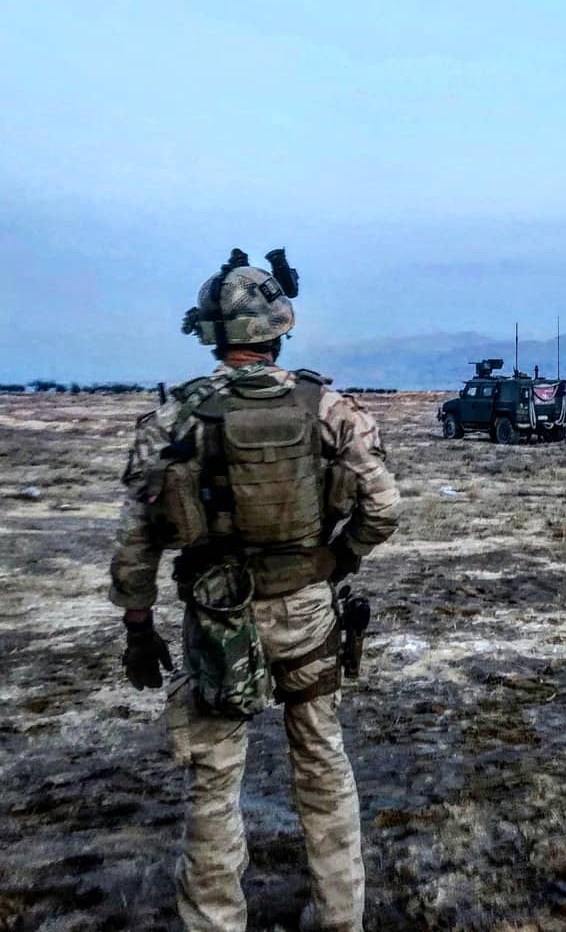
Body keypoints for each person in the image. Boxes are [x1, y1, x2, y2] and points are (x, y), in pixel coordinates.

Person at [109, 248, 400, 932]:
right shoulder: (330, 408)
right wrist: (337, 560)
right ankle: (339, 918)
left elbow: (136, 540)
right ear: (279, 328)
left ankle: (215, 922)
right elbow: (383, 507)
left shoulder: (174, 419)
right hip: (305, 611)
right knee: (323, 762)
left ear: (213, 334)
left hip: (216, 616)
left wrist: (137, 626)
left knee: (215, 781)